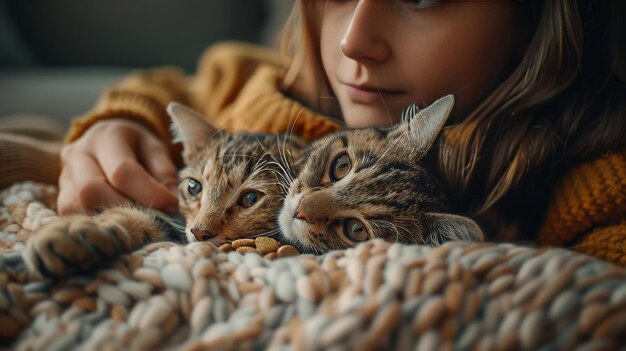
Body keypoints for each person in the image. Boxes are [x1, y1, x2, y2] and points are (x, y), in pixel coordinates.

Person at [54, 1, 626, 263]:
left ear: (537, 19)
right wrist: (120, 120)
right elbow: (174, 86)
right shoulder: (256, 81)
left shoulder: (595, 186)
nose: (353, 40)